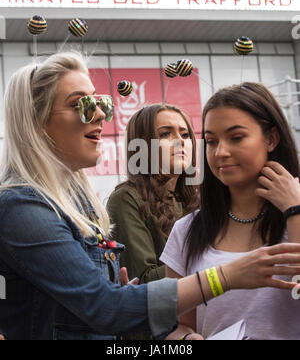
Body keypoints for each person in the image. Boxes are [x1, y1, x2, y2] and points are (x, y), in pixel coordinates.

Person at [0, 56, 300, 341]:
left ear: (272, 139)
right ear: (36, 121)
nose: (102, 113)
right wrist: (221, 276)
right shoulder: (29, 208)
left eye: (185, 134)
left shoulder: (82, 204)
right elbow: (111, 308)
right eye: (82, 104)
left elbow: (109, 304)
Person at [161, 82, 300, 340]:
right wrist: (187, 339)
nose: (220, 152)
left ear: (271, 138)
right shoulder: (187, 230)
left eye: (236, 138)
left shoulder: (295, 215)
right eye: (211, 141)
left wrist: (294, 210)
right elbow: (178, 325)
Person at [107, 104, 200, 285]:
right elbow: (142, 280)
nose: (179, 140)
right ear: (143, 144)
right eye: (166, 134)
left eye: (185, 134)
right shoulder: (126, 199)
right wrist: (209, 260)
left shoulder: (197, 196)